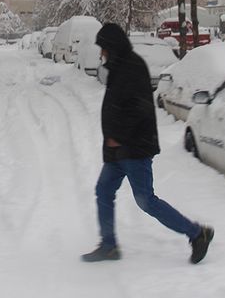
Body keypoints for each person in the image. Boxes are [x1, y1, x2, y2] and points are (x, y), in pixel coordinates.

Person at [81, 23, 214, 265]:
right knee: (103, 191)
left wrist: (118, 136)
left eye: (103, 48)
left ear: (112, 47)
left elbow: (139, 109)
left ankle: (197, 234)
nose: (101, 53)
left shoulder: (132, 67)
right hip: (118, 150)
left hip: (134, 148)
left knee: (146, 201)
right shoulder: (119, 67)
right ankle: (109, 245)